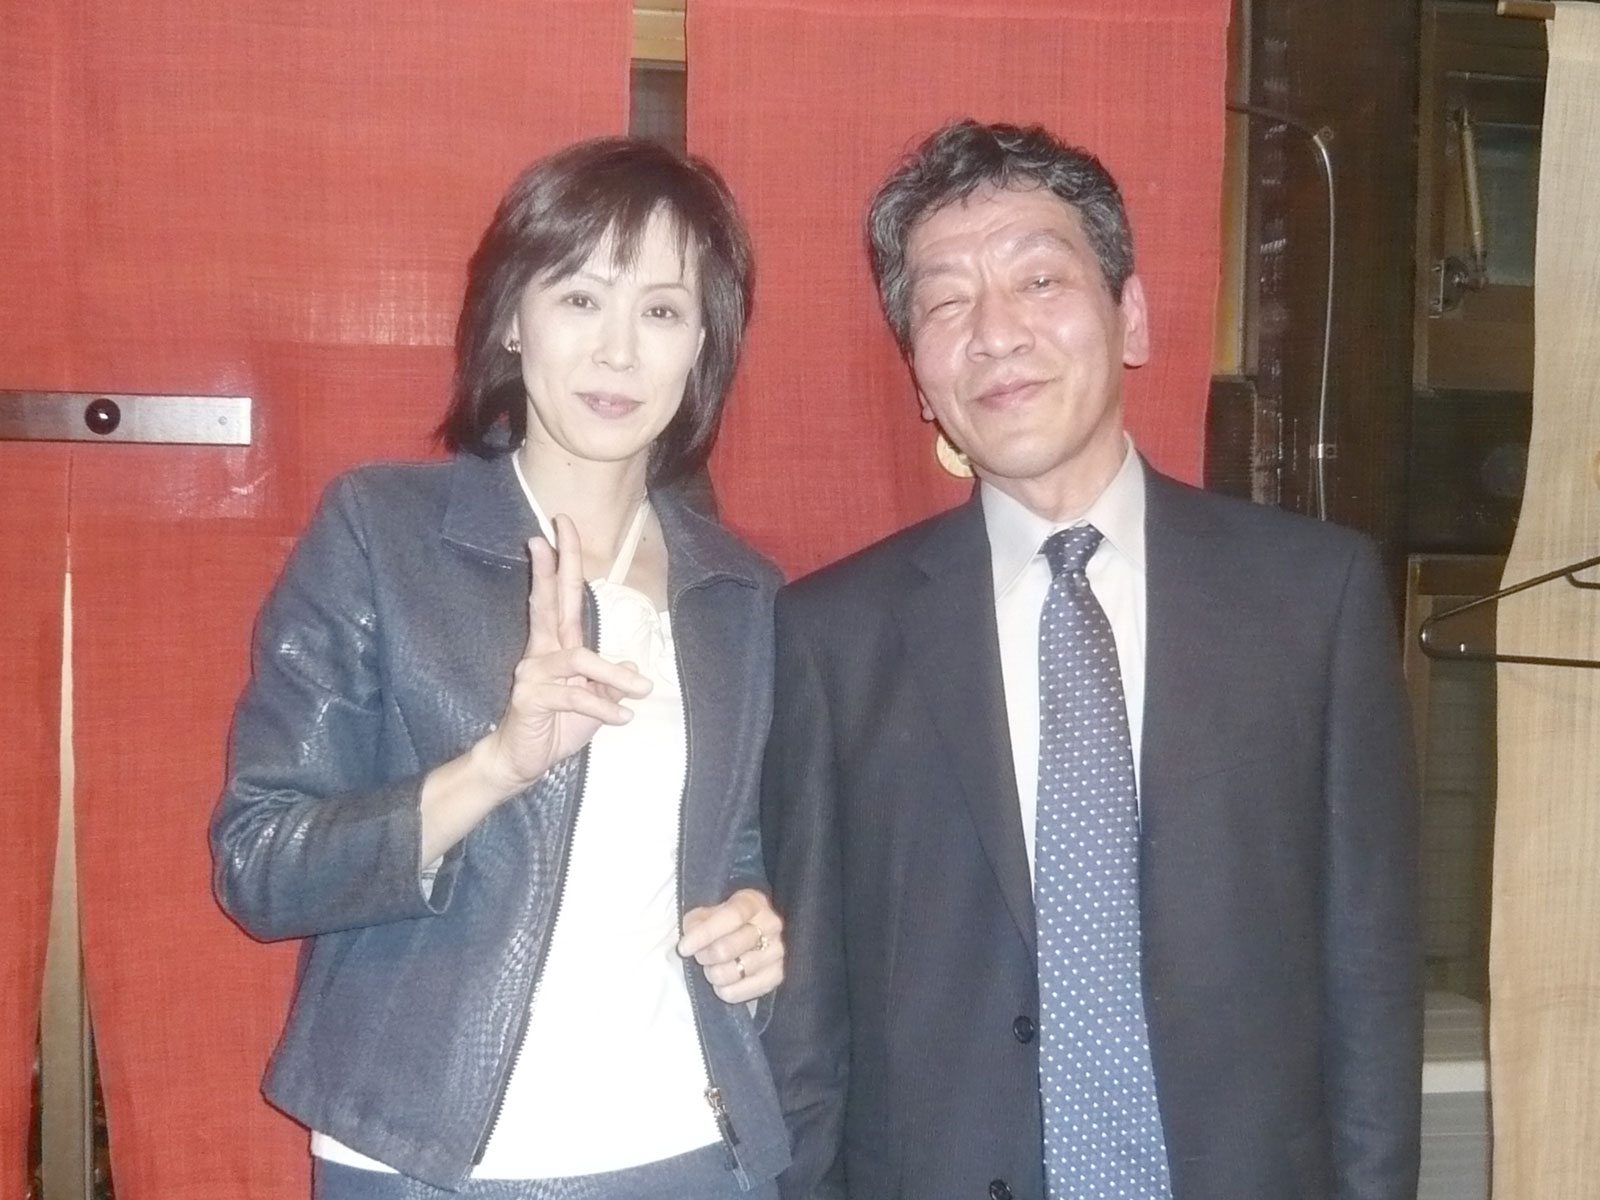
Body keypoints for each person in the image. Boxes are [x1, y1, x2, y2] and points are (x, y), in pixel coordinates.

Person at [759, 120, 1421, 1200]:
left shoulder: (1312, 599)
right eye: (945, 304)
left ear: (1132, 317)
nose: (995, 334)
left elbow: (1371, 974)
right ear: (919, 377)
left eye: (1038, 280)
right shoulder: (834, 636)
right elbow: (809, 1025)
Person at [211, 137, 792, 1200]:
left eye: (662, 311)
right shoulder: (382, 533)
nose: (618, 352)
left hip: (685, 1144)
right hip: (427, 1158)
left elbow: (736, 847)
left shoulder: (738, 592)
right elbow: (261, 865)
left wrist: (751, 926)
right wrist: (494, 766)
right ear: (513, 319)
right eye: (580, 298)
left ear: (702, 343)